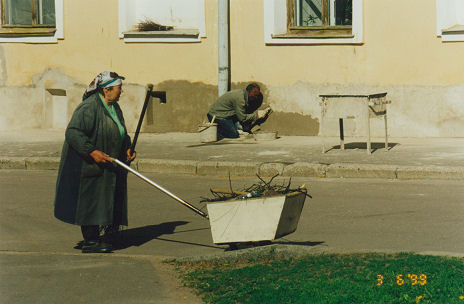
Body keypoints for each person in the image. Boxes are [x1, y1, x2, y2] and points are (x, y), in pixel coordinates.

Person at [54, 71, 136, 253]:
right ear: (106, 90)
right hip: (90, 163)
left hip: (110, 163)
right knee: (91, 200)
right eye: (118, 88)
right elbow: (73, 132)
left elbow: (121, 131)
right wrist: (91, 151)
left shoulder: (115, 107)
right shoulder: (89, 108)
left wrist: (127, 147)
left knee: (106, 198)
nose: (121, 92)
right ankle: (91, 241)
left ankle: (100, 237)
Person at [207, 83, 271, 140]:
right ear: (249, 91)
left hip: (227, 115)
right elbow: (243, 118)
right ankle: (216, 130)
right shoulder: (240, 99)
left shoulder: (245, 96)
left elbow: (243, 114)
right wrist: (257, 115)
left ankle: (226, 128)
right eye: (254, 94)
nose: (256, 97)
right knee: (233, 134)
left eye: (257, 95)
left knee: (242, 129)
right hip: (217, 116)